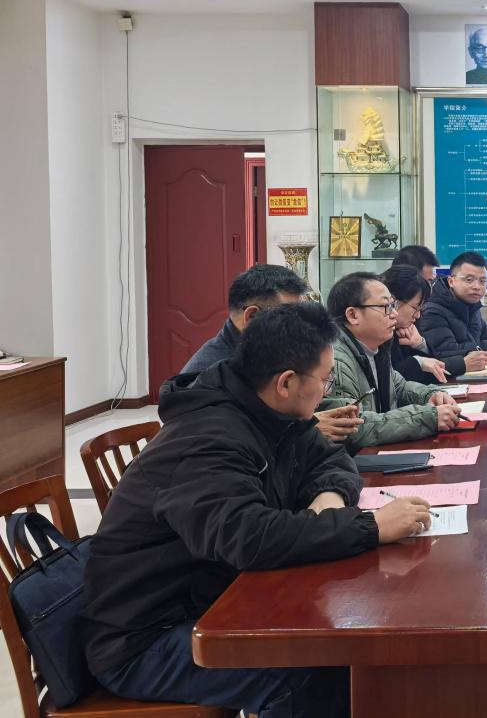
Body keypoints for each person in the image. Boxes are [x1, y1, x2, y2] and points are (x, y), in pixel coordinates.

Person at [81, 303, 433, 718]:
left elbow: (331, 459)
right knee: (312, 670)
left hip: (216, 596)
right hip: (146, 638)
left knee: (340, 642)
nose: (326, 391)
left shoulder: (268, 409)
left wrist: (330, 498)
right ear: (286, 382)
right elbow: (249, 538)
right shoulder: (206, 439)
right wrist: (370, 527)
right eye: (324, 380)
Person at [319, 272, 461, 451]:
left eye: (393, 305)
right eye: (385, 307)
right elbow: (353, 427)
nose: (394, 314)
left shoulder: (376, 348)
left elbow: (400, 388)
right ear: (353, 315)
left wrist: (430, 395)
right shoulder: (335, 359)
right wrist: (428, 417)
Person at [180, 263, 308, 374]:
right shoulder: (211, 378)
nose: (299, 328)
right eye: (289, 318)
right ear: (252, 316)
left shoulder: (259, 350)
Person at [418, 251, 487, 376]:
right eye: (469, 280)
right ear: (451, 281)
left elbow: (485, 334)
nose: (477, 286)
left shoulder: (470, 304)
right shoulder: (432, 311)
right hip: (447, 381)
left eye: (482, 281)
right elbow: (448, 352)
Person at [382, 264, 448, 385]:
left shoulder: (407, 329)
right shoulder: (377, 333)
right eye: (415, 308)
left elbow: (437, 374)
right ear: (394, 301)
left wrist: (420, 345)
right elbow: (387, 382)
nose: (417, 315)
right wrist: (418, 362)